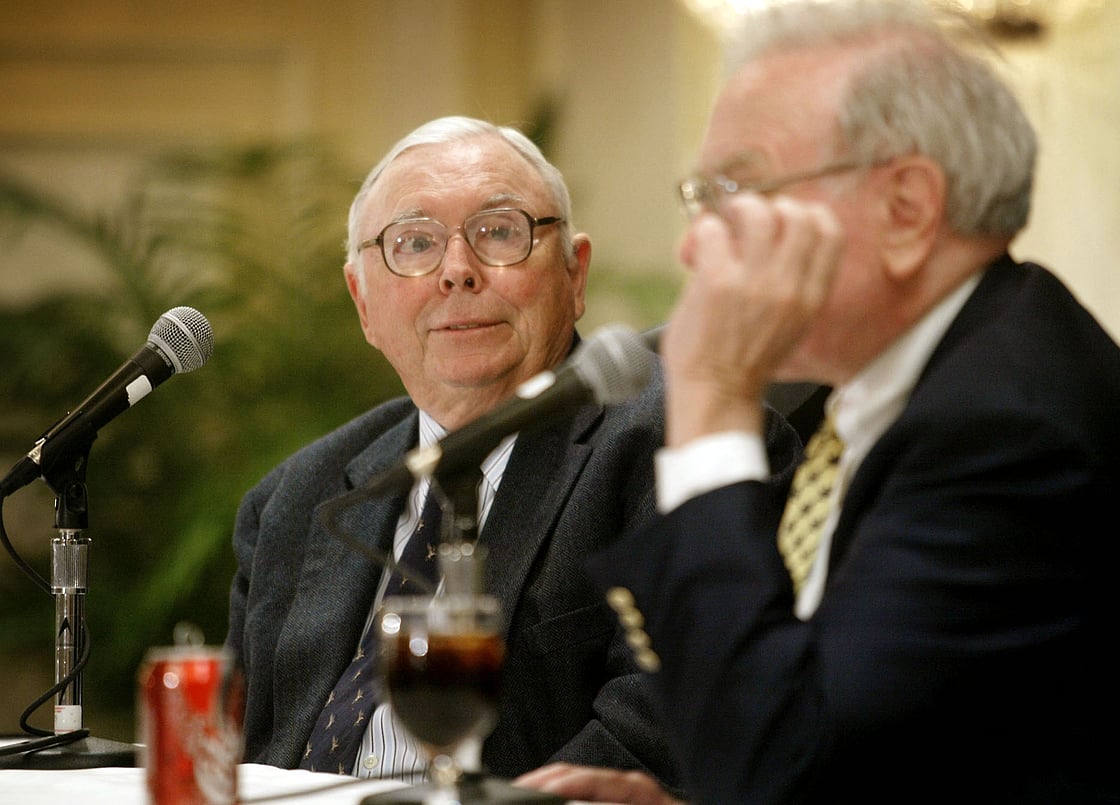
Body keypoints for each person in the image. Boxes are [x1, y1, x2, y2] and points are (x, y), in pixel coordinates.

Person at [516, 1, 1120, 803]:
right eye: (700, 196)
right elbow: (861, 747)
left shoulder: (1009, 426)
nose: (695, 244)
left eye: (737, 190)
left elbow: (778, 764)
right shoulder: (932, 382)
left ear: (906, 209)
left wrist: (712, 400)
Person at [224, 115, 798, 792]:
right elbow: (230, 745)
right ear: (363, 302)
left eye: (499, 232)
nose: (457, 272)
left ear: (575, 273)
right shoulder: (296, 499)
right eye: (415, 243)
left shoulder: (680, 445)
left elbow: (665, 727)